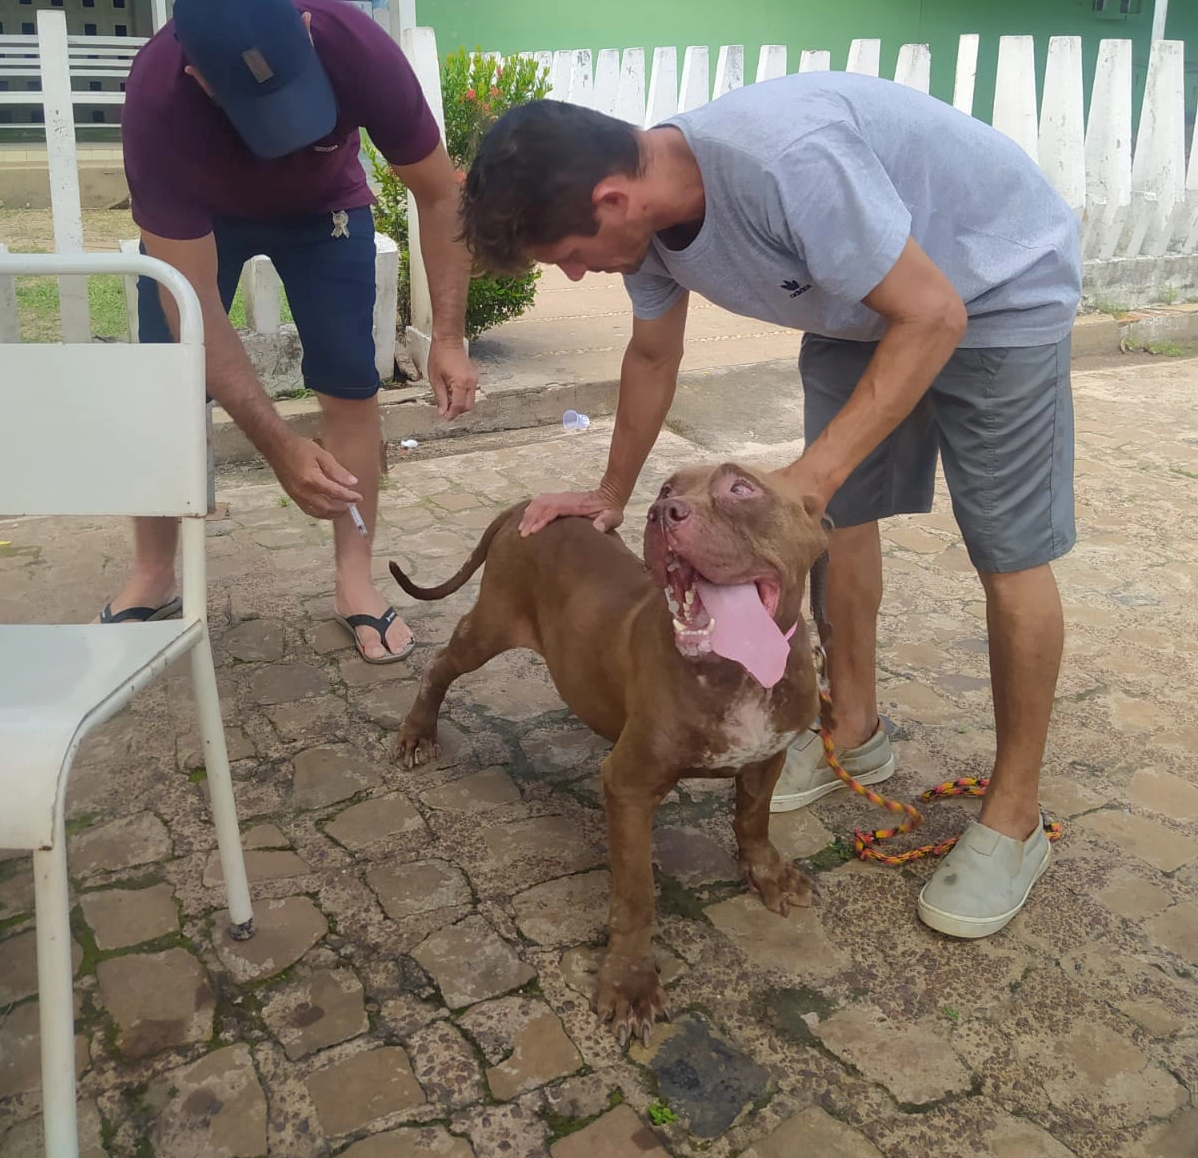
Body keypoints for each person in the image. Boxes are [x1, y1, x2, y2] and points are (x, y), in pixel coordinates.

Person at [460, 76, 1082, 939]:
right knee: (836, 521)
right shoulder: (649, 234)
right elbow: (651, 356)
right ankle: (854, 726)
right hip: (863, 302)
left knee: (1006, 551)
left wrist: (807, 486)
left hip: (996, 285)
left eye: (569, 252)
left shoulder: (787, 164)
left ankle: (1014, 817)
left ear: (612, 197)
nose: (572, 273)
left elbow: (935, 314)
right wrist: (610, 496)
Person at [103, 0, 477, 663]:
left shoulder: (356, 48)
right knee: (161, 384)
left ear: (305, 31)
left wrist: (448, 336)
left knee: (350, 387)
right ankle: (154, 572)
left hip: (325, 212)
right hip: (204, 220)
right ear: (201, 79)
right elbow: (197, 308)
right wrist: (278, 447)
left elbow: (439, 195)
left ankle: (354, 581)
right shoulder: (156, 102)